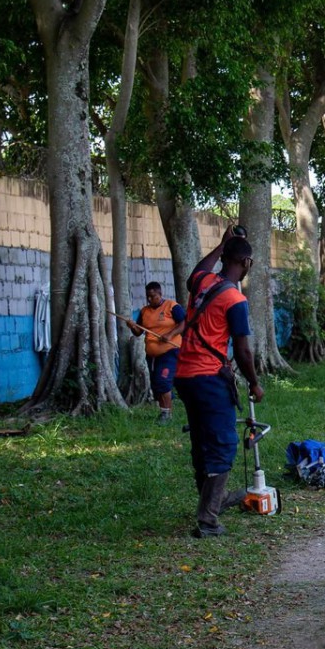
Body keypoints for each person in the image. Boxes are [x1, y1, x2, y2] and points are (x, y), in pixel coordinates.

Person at [176, 226, 264, 537]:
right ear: (247, 263)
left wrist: (222, 244)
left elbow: (197, 271)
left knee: (201, 440)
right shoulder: (234, 298)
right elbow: (242, 349)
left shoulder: (202, 282)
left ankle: (213, 500)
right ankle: (208, 518)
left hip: (184, 377)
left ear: (223, 257)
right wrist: (254, 383)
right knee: (223, 444)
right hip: (209, 379)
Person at [125, 281, 185, 422]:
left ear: (160, 294)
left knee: (162, 380)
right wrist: (132, 326)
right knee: (156, 384)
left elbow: (184, 323)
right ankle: (165, 410)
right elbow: (139, 332)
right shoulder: (144, 311)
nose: (150, 299)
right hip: (152, 355)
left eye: (153, 296)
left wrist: (170, 334)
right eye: (148, 297)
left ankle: (166, 414)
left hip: (170, 350)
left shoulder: (172, 306)